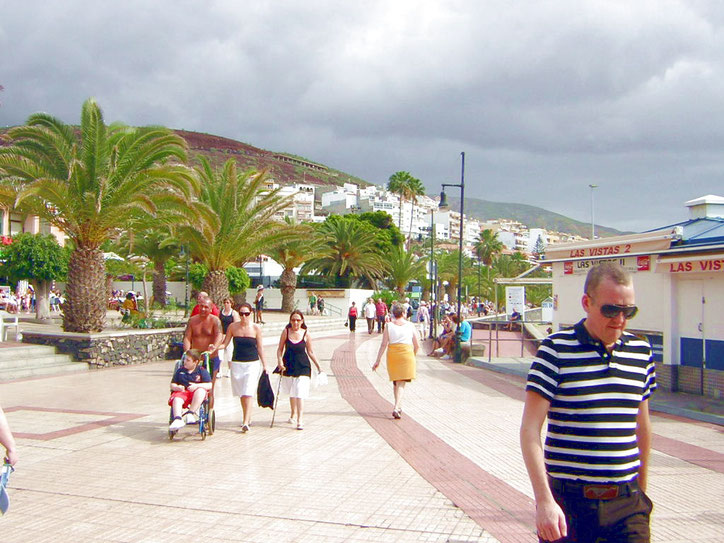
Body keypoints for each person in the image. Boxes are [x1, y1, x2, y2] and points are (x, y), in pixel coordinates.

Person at [520, 262, 656, 543]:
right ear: (587, 302)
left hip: (627, 505)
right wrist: (544, 501)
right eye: (610, 309)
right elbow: (530, 430)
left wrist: (641, 493)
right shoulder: (555, 350)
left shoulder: (641, 352)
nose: (619, 318)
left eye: (627, 310)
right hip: (570, 505)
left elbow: (641, 426)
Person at [216, 302, 269, 433]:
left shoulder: (256, 328)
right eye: (241, 314)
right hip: (237, 363)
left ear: (251, 314)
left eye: (246, 313)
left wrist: (265, 365)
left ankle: (245, 421)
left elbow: (260, 347)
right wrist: (215, 347)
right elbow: (225, 343)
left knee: (248, 391)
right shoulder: (233, 327)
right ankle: (247, 416)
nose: (244, 316)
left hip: (252, 363)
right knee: (242, 393)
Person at [372, 303, 420, 419]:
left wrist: (377, 360)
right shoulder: (410, 325)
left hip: (393, 354)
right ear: (404, 313)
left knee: (396, 382)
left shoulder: (388, 326)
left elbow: (384, 344)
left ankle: (398, 406)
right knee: (401, 383)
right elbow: (417, 345)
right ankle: (397, 407)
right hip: (406, 353)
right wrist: (413, 356)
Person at [276, 310, 322, 430]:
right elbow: (280, 349)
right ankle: (293, 414)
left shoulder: (306, 334)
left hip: (303, 366)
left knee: (299, 391)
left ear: (302, 321)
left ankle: (300, 419)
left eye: (298, 320)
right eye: (293, 320)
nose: (295, 322)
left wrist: (318, 366)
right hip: (289, 365)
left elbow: (310, 352)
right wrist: (280, 361)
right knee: (292, 391)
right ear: (290, 321)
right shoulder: (286, 332)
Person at [183, 298, 223, 408]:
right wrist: (187, 352)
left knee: (209, 388)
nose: (203, 309)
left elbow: (219, 335)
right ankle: (192, 409)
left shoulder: (215, 321)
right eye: (201, 306)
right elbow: (187, 337)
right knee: (191, 386)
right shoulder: (192, 321)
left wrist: (214, 347)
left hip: (210, 358)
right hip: (196, 360)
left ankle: (208, 414)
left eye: (206, 307)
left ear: (211, 309)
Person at [168, 349, 212, 431]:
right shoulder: (180, 371)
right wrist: (177, 387)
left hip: (195, 393)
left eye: (188, 360)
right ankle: (177, 419)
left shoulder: (201, 371)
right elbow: (172, 384)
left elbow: (209, 385)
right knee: (177, 399)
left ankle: (190, 413)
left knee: (201, 390)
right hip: (183, 392)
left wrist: (196, 386)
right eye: (185, 359)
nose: (185, 362)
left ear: (195, 362)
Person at [218, 297, 240, 378]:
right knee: (220, 354)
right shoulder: (221, 312)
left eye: (228, 302)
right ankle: (219, 370)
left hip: (230, 336)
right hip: (221, 335)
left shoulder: (234, 313)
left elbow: (236, 324)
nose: (226, 304)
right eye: (225, 302)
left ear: (231, 303)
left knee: (230, 353)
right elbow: (218, 323)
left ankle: (229, 370)